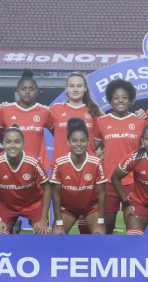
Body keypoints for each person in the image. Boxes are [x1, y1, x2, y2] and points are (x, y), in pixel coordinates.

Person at [49, 72, 104, 234]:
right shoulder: (55, 110)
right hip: (61, 172)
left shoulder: (94, 111)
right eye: (72, 86)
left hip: (87, 172)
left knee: (87, 230)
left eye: (79, 86)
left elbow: (98, 139)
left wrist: (85, 153)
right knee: (58, 230)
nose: (75, 89)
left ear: (85, 89)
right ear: (66, 88)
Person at [93, 78, 147, 234]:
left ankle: (131, 256)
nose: (120, 101)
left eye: (124, 97)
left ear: (130, 99)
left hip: (133, 182)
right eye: (116, 97)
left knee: (133, 227)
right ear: (110, 100)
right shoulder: (102, 121)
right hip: (109, 181)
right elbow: (91, 149)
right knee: (107, 226)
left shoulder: (140, 121)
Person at [0, 125, 51, 234]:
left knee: (43, 236)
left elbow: (47, 188)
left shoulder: (33, 162)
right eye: (8, 142)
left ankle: (22, 223)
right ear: (3, 144)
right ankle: (13, 224)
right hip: (8, 205)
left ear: (23, 144)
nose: (13, 146)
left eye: (17, 142)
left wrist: (43, 219)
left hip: (34, 204)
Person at [50, 117, 107, 235]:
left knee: (99, 236)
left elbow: (102, 194)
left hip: (91, 208)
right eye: (74, 140)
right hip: (67, 209)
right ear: (68, 142)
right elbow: (55, 195)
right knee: (56, 237)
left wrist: (101, 223)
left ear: (88, 142)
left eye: (82, 140)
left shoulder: (96, 162)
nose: (79, 144)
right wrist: (59, 224)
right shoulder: (59, 163)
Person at [0, 69, 54, 169]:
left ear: (36, 92)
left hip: (38, 166)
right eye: (23, 89)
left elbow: (58, 134)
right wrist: (10, 145)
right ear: (18, 91)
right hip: (12, 164)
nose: (27, 92)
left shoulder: (44, 111)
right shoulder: (5, 110)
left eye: (31, 89)